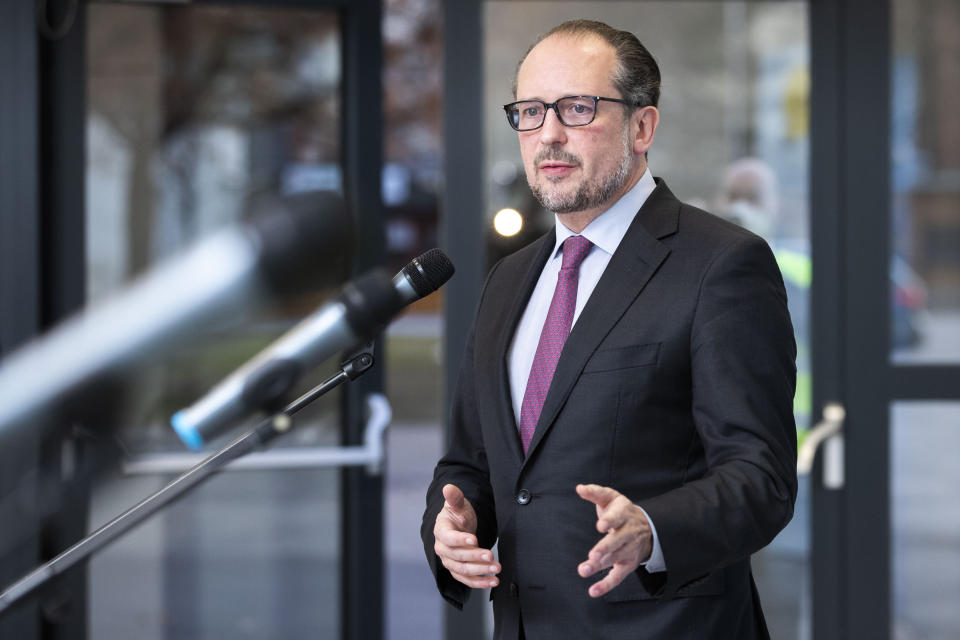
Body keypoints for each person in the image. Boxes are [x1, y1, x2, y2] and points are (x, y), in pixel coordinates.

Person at [421, 19, 797, 639]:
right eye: (532, 113)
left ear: (642, 126)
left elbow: (761, 477)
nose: (550, 136)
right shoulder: (508, 279)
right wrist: (451, 522)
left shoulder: (722, 265)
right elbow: (471, 462)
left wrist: (653, 528)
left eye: (577, 108)